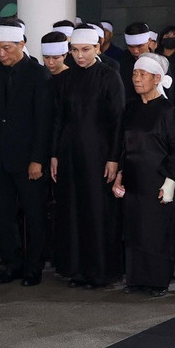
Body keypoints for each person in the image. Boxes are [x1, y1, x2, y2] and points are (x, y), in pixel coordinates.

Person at [51, 27, 125, 289]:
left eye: (85, 50)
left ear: (97, 48)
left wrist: (114, 158)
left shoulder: (110, 76)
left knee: (96, 211)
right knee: (72, 210)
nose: (79, 56)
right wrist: (55, 154)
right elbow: (60, 118)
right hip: (70, 152)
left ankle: (101, 271)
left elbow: (117, 120)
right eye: (75, 51)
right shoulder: (67, 79)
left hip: (99, 153)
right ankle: (78, 269)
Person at [0, 23, 52, 286]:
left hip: (28, 159)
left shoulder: (37, 74)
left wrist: (37, 159)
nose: (1, 54)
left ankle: (34, 267)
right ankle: (13, 264)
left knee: (33, 214)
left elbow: (43, 121)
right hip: (0, 158)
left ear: (21, 44)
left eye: (6, 49)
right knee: (5, 214)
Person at [112, 54, 175, 296]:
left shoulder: (167, 110)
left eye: (142, 75)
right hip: (133, 176)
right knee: (134, 229)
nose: (136, 79)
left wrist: (170, 181)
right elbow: (123, 144)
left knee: (156, 231)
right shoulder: (130, 108)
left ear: (157, 78)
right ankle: (136, 279)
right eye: (134, 74)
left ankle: (157, 281)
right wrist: (120, 174)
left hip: (157, 178)